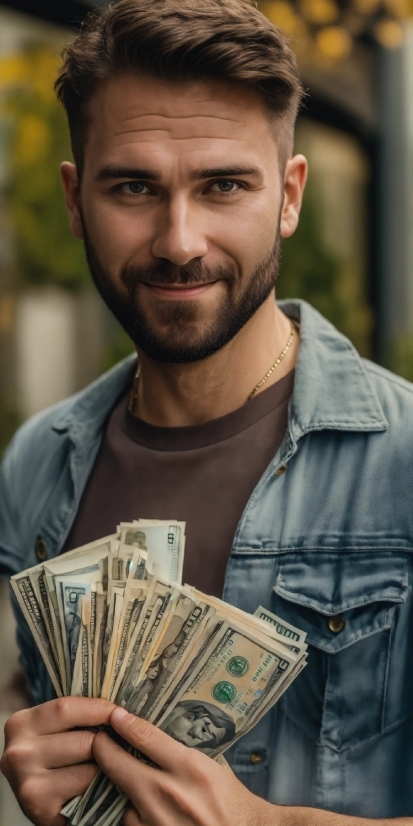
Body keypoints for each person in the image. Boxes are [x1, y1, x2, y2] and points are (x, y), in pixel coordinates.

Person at [0, 0, 412, 824]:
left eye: (223, 184)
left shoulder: (403, 466)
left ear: (289, 197)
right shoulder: (37, 462)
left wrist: (261, 823)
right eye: (134, 186)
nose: (178, 239)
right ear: (77, 200)